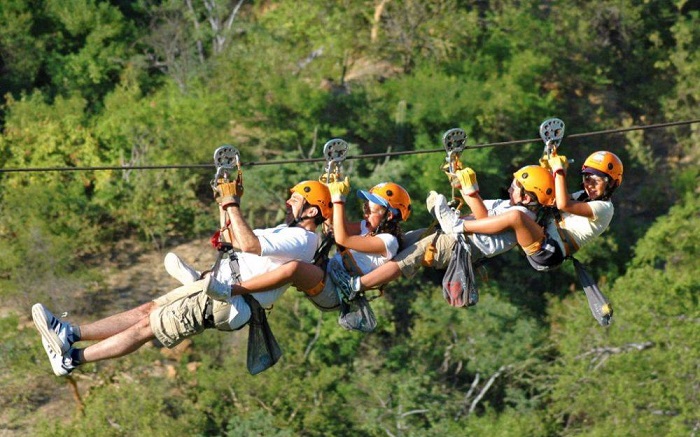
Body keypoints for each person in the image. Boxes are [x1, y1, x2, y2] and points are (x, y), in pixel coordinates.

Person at [32, 179, 332, 376]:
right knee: (146, 312)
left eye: (295, 199)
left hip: (227, 300)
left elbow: (250, 244)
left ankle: (70, 360)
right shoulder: (285, 231)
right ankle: (69, 333)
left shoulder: (303, 240)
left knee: (146, 328)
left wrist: (232, 204)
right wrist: (224, 204)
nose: (288, 203)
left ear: (313, 209)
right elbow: (233, 238)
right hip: (216, 289)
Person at [171, 179, 412, 317]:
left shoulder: (387, 242)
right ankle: (202, 279)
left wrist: (338, 199)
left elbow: (343, 238)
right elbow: (331, 223)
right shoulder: (363, 226)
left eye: (375, 208)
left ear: (391, 215)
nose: (367, 210)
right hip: (328, 274)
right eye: (367, 205)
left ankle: (231, 290)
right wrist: (328, 187)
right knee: (283, 255)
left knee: (295, 267)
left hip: (334, 291)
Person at [328, 165, 555, 297]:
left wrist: (465, 207)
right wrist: (463, 185)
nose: (509, 188)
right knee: (411, 238)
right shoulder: (511, 205)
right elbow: (481, 212)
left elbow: (484, 221)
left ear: (527, 196)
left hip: (466, 245)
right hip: (462, 235)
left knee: (417, 251)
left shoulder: (524, 217)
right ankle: (452, 223)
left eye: (515, 187)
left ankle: (357, 286)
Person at [436, 151, 623, 271]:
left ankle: (458, 225)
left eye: (596, 181)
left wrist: (559, 172)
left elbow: (563, 205)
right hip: (543, 235)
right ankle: (459, 185)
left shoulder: (604, 208)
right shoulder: (584, 195)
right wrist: (548, 169)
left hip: (549, 252)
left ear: (612, 184)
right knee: (501, 210)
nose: (589, 185)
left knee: (516, 216)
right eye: (587, 179)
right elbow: (556, 198)